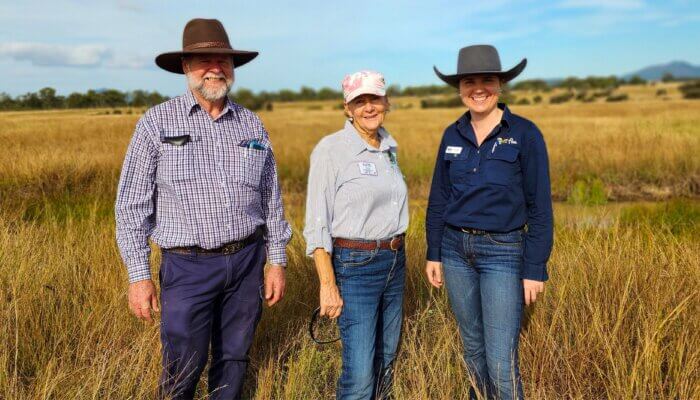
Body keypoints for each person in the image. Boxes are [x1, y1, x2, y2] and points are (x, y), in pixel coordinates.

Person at [115, 18, 291, 400]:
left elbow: (271, 198)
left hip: (246, 261)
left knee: (234, 357)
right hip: (186, 267)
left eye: (223, 60)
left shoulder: (252, 125)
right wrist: (138, 276)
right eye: (203, 60)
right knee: (182, 363)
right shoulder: (156, 123)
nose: (215, 68)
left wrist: (276, 260)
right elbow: (131, 207)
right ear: (185, 67)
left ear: (232, 67)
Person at [425, 45, 553, 400]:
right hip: (453, 252)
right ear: (459, 88)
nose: (478, 88)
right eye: (469, 81)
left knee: (500, 359)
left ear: (500, 85)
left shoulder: (525, 134)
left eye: (487, 80)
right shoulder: (452, 135)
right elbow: (439, 199)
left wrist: (535, 266)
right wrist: (433, 252)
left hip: (503, 252)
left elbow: (539, 206)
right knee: (473, 349)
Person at [303, 70, 409, 400]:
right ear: (347, 108)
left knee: (386, 360)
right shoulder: (331, 150)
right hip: (355, 266)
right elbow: (316, 224)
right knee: (360, 372)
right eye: (359, 101)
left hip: (394, 261)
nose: (368, 107)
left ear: (386, 102)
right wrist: (327, 285)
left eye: (374, 98)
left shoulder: (389, 148)